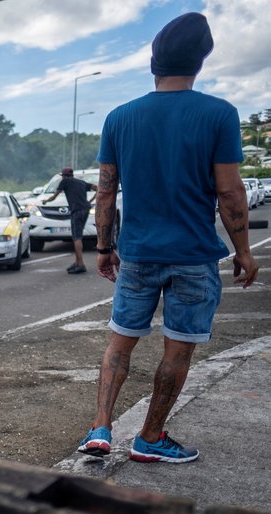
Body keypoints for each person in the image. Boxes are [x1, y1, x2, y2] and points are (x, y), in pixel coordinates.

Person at [76, 12, 259, 463]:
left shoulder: (120, 118)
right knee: (177, 349)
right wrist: (243, 252)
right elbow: (230, 192)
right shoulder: (218, 114)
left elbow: (106, 190)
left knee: (120, 342)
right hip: (194, 255)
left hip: (137, 254)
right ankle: (150, 437)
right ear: (200, 61)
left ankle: (100, 428)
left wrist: (104, 247)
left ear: (153, 63)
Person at [41, 167, 96, 274]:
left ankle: (80, 264)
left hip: (77, 211)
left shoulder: (64, 182)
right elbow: (97, 188)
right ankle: (77, 262)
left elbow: (54, 196)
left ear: (63, 176)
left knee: (77, 237)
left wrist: (46, 201)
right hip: (86, 209)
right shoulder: (81, 182)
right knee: (78, 235)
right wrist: (90, 201)